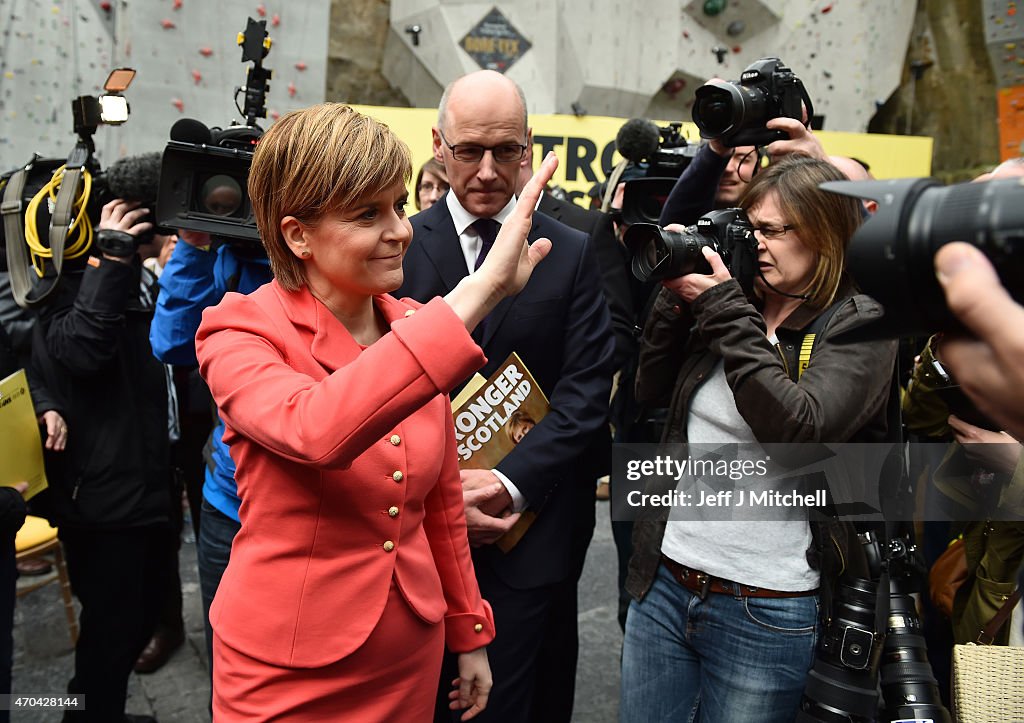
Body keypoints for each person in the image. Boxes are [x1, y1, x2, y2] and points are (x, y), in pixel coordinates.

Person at [195, 101, 561, 721]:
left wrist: (469, 631)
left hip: (406, 660)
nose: (399, 229)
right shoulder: (239, 330)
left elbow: (439, 503)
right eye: (368, 214)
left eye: (397, 204)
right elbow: (314, 430)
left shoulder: (415, 323)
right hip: (284, 668)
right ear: (297, 234)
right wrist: (480, 291)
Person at [621, 155, 899, 723]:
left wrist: (721, 309)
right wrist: (679, 299)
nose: (759, 245)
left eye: (775, 231)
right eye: (752, 229)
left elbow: (798, 431)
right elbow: (647, 388)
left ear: (825, 234)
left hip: (767, 606)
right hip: (667, 581)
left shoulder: (862, 321)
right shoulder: (736, 297)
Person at [396, 70, 615, 722]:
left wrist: (504, 485)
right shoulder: (395, 244)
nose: (488, 170)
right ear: (439, 144)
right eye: (469, 151)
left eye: (506, 151)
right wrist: (435, 498)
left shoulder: (574, 249)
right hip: (410, 539)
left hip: (532, 537)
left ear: (528, 147)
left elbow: (586, 389)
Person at [31, 196, 174, 723]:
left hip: (148, 480)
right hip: (100, 496)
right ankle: (78, 713)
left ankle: (97, 711)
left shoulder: (137, 272)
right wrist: (110, 256)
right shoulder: (56, 283)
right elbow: (80, 352)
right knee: (109, 632)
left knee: (135, 623)